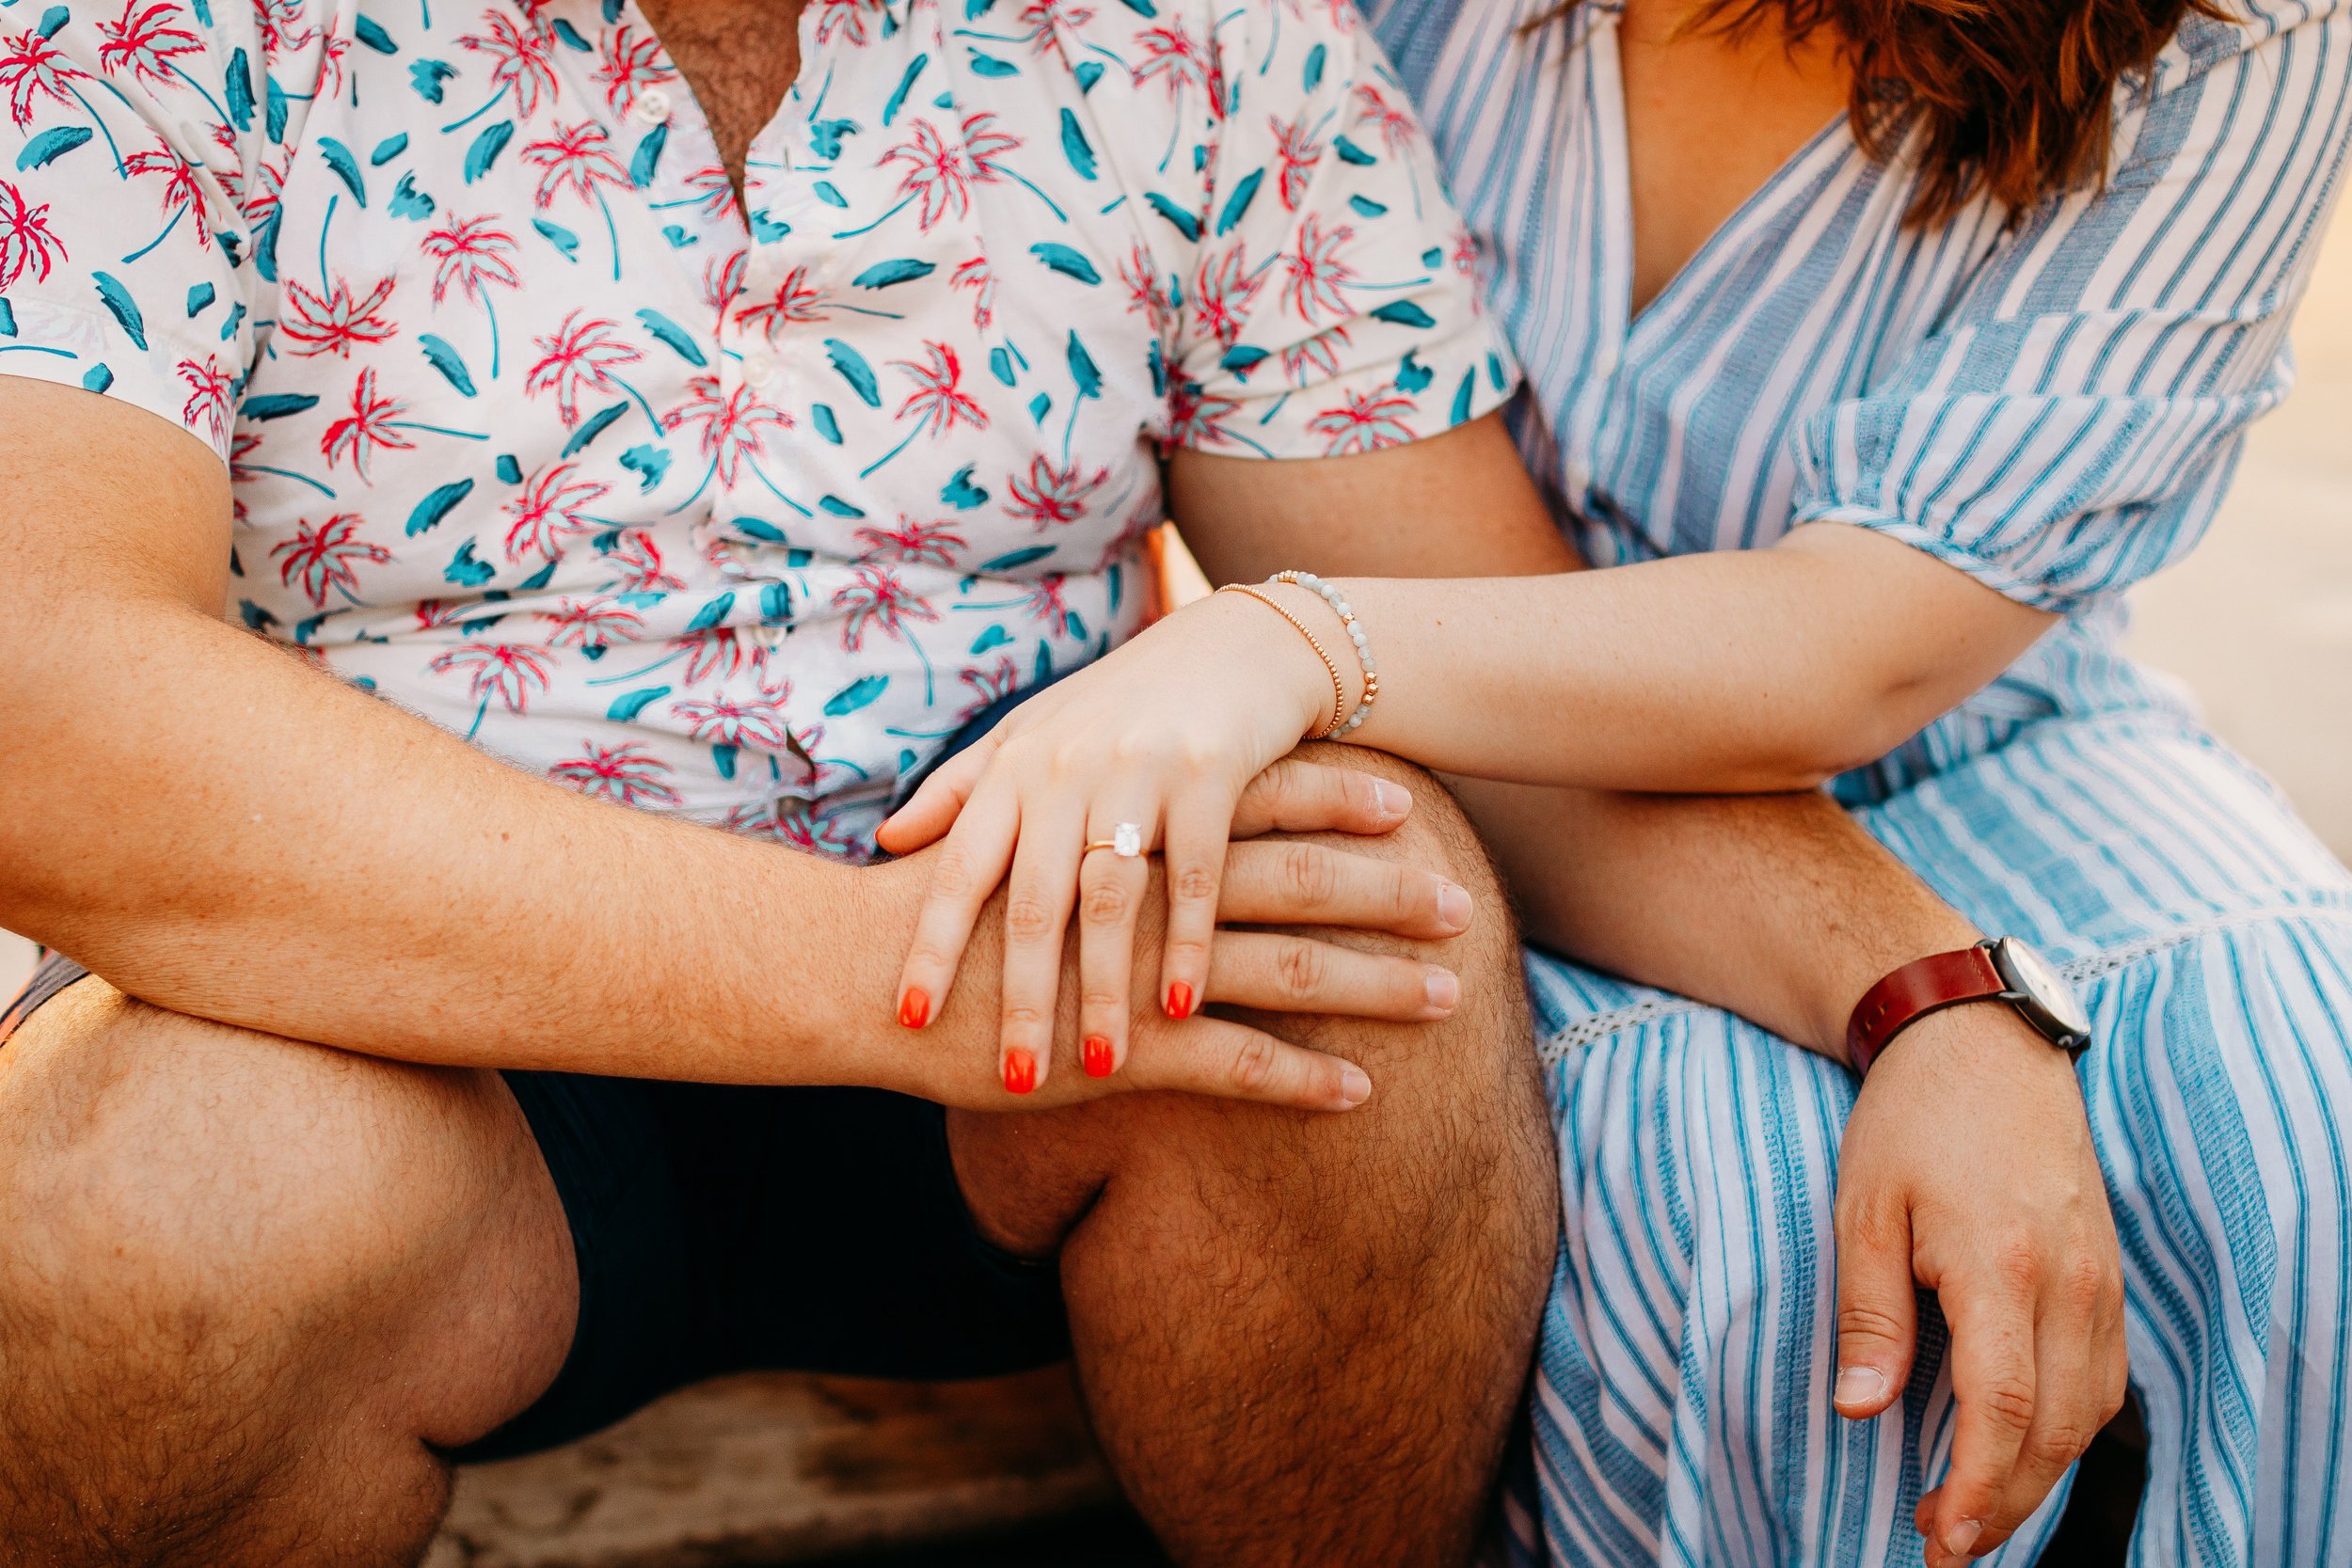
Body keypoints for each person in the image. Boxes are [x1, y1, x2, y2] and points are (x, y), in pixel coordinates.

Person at [0, 0, 2099, 1564]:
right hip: (408, 1049)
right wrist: (879, 971)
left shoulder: (1197, 34)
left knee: (1373, 927)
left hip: (1033, 1034)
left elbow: (1480, 675)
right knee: (114, 1225)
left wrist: (1926, 997)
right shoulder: (157, 32)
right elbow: (52, 707)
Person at [880, 0, 2352, 1564]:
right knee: (1752, 1220)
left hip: (1991, 720)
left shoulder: (2240, 35)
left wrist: (1295, 642)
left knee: (2300, 1108)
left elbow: (1862, 645)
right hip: (1499, 766)